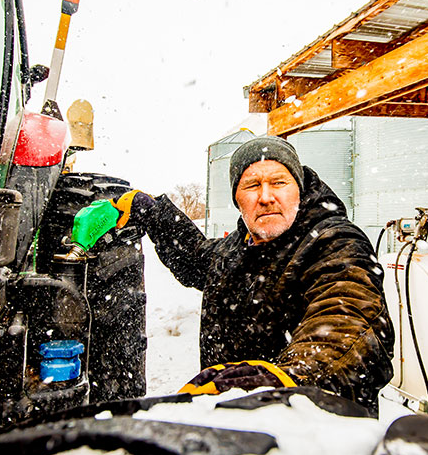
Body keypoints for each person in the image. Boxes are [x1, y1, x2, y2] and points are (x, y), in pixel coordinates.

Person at [114, 135, 394, 411]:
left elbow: (347, 319)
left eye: (279, 182)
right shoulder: (235, 249)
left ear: (299, 189)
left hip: (314, 431)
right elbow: (195, 257)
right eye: (251, 185)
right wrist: (154, 214)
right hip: (238, 424)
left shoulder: (334, 242)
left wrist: (286, 378)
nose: (266, 197)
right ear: (237, 199)